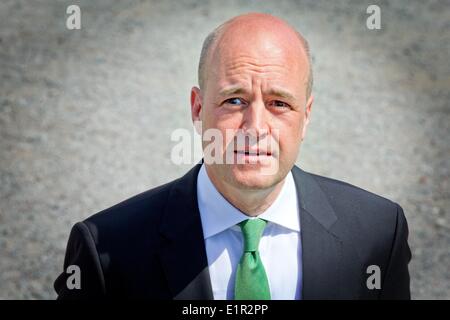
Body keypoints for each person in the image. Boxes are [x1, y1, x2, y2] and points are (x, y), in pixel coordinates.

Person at [54, 13, 411, 300]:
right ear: (197, 108)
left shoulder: (378, 233)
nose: (256, 127)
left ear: (307, 116)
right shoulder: (107, 248)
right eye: (234, 100)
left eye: (279, 104)